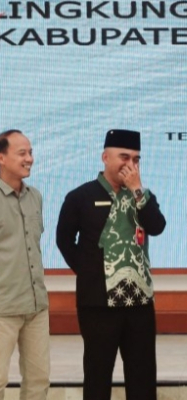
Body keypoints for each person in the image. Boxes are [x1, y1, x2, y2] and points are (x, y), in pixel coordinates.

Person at [56, 129, 166, 400]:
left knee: (142, 377)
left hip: (139, 302)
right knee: (98, 375)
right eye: (124, 157)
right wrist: (89, 272)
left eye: (136, 159)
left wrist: (138, 190)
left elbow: (157, 226)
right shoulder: (80, 196)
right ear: (105, 157)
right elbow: (64, 240)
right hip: (98, 304)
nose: (130, 165)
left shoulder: (143, 197)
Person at [0, 129, 50, 400]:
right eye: (22, 153)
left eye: (30, 152)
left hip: (36, 307)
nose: (29, 158)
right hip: (3, 308)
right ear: (1, 157)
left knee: (39, 381)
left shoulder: (35, 197)